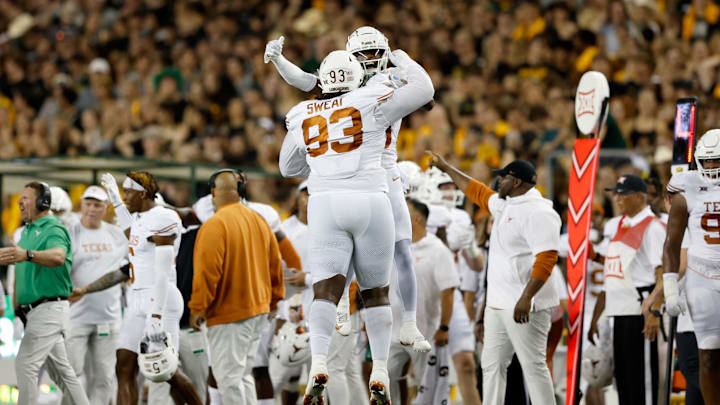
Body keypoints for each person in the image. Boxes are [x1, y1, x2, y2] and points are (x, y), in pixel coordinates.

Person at [279, 48, 434, 405]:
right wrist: (404, 59)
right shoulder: (370, 97)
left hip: (324, 204)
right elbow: (424, 89)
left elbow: (287, 166)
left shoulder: (303, 112)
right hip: (369, 198)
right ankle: (379, 369)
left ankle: (318, 361)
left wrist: (324, 163)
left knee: (325, 289)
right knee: (375, 291)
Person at [427, 154, 561, 405]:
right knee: (492, 366)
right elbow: (475, 190)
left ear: (518, 182)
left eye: (504, 177)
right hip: (498, 304)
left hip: (525, 304)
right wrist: (446, 167)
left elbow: (547, 258)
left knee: (533, 366)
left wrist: (526, 297)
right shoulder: (506, 203)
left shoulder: (540, 211)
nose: (498, 181)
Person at [99, 171, 202, 405]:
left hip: (160, 298)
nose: (125, 197)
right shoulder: (142, 217)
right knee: (123, 365)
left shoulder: (163, 217)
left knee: (167, 370)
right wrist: (115, 199)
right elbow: (132, 234)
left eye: (127, 192)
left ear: (143, 193)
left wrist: (155, 316)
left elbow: (163, 272)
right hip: (137, 297)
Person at [188, 169, 285, 405]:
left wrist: (198, 307)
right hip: (258, 311)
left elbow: (208, 272)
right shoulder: (259, 221)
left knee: (228, 379)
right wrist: (274, 300)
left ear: (213, 192)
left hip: (230, 314)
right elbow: (276, 265)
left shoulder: (215, 224)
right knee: (243, 375)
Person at [0, 182, 90, 405]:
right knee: (63, 374)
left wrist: (28, 254)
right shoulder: (27, 231)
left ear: (43, 203)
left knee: (25, 363)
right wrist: (19, 306)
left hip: (48, 307)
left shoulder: (53, 228)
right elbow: (23, 268)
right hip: (34, 311)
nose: (20, 202)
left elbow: (58, 256)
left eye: (26, 198)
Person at [587, 174, 665, 405]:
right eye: (616, 193)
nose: (617, 198)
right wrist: (593, 255)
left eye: (623, 194)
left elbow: (663, 272)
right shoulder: (622, 224)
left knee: (643, 382)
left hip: (639, 309)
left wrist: (654, 311)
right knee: (624, 380)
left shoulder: (652, 227)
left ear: (639, 197)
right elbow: (619, 267)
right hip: (619, 311)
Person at [661, 129, 720, 404]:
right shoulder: (686, 187)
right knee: (707, 357)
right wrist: (670, 288)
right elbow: (671, 244)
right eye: (707, 161)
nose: (711, 166)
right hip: (701, 277)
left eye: (716, 160)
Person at [388, 198, 458, 405]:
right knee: (386, 379)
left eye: (403, 212)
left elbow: (448, 291)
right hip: (393, 332)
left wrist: (444, 327)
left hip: (424, 332)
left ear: (416, 219)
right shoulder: (393, 246)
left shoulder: (437, 250)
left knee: (425, 386)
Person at [61, 186, 127, 405]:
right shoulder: (70, 232)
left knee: (104, 377)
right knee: (71, 374)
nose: (91, 209)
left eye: (97, 204)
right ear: (82, 205)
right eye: (88, 204)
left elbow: (128, 267)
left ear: (105, 208)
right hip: (76, 316)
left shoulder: (116, 234)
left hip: (108, 317)